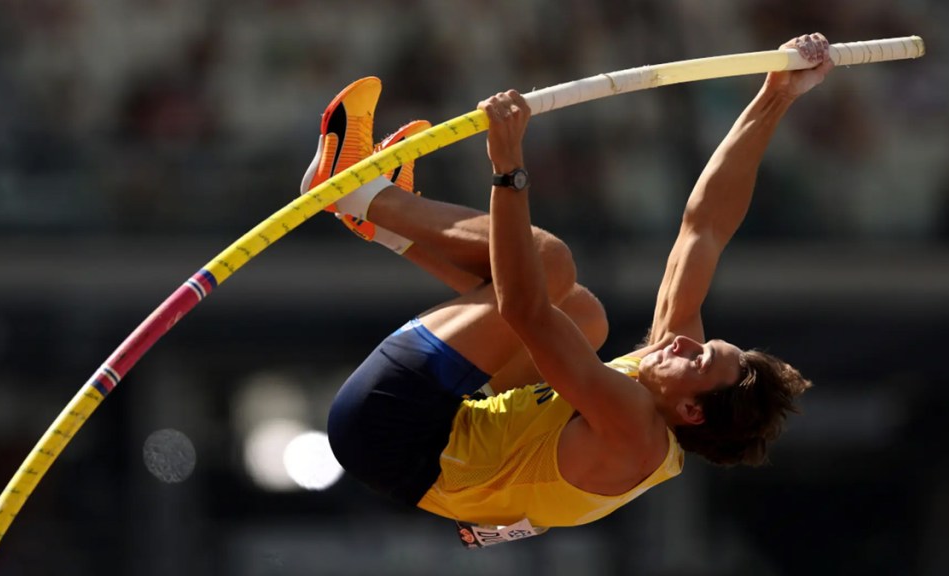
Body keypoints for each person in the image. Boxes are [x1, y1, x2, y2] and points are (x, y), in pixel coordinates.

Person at [303, 33, 832, 547]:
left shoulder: (634, 433)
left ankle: (357, 189)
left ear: (693, 412)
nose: (683, 342)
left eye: (697, 359)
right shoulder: (670, 393)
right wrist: (776, 95)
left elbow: (525, 310)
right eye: (702, 344)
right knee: (584, 316)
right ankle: (384, 222)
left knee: (548, 263)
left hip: (390, 431)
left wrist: (508, 167)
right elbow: (705, 228)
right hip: (449, 444)